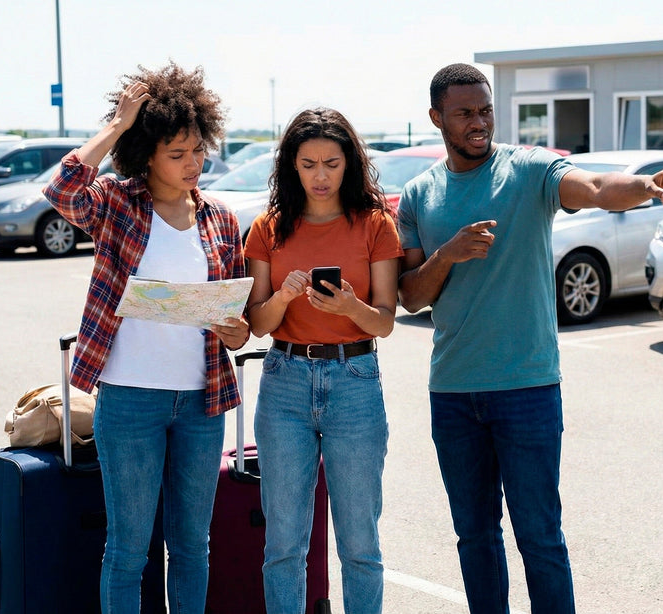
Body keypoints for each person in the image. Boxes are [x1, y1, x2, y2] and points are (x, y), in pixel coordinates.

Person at [396, 63, 663, 614]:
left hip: (527, 389)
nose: (478, 122)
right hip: (454, 393)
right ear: (437, 118)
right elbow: (410, 296)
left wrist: (648, 187)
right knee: (476, 541)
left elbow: (598, 188)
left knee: (540, 539)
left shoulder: (530, 169)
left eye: (485, 110)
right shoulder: (417, 195)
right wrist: (449, 254)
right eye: (464, 113)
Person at [43, 62, 250, 614]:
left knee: (191, 546)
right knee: (129, 550)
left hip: (202, 404)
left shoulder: (221, 221)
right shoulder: (116, 203)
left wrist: (236, 328)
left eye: (198, 150)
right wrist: (117, 125)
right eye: (177, 153)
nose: (192, 164)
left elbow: (237, 321)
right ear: (146, 155)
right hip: (130, 397)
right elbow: (61, 188)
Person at [244, 107, 402, 614]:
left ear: (348, 164)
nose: (320, 175)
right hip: (284, 380)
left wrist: (349, 306)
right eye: (308, 163)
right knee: (283, 545)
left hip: (355, 380)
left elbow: (384, 321)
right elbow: (258, 324)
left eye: (331, 163)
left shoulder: (375, 224)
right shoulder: (268, 228)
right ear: (291, 165)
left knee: (360, 545)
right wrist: (286, 298)